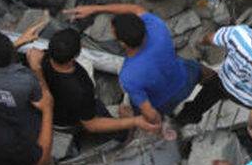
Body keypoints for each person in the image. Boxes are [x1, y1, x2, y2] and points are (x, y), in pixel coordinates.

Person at [65, 4, 202, 131]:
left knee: (134, 110)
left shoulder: (129, 76)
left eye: (113, 32)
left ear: (123, 43)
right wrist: (95, 8)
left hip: (162, 102)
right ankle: (212, 84)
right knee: (199, 69)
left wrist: (144, 122)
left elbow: (150, 114)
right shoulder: (157, 26)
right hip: (184, 77)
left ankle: (163, 125)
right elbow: (136, 9)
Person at [176, 18, 252, 145]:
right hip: (246, 99)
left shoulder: (238, 34)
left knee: (201, 101)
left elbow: (210, 39)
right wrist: (251, 127)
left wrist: (201, 40)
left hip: (223, 81)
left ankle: (183, 119)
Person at [31, 28, 160, 137]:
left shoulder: (41, 59)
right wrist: (134, 121)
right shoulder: (81, 87)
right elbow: (91, 125)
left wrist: (36, 68)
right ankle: (125, 137)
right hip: (66, 123)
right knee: (117, 129)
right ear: (75, 56)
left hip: (51, 113)